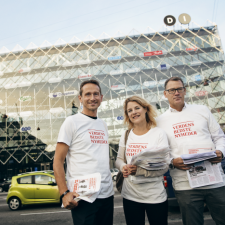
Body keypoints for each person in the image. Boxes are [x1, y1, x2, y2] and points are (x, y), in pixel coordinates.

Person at [156, 76, 225, 225]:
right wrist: (172, 161)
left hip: (215, 180)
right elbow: (160, 152)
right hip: (185, 185)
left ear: (185, 91)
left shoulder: (202, 110)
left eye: (179, 89)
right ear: (165, 94)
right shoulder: (159, 121)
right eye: (172, 90)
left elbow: (219, 137)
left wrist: (221, 151)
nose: (176, 93)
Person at [53, 80, 114, 225]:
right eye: (88, 94)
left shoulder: (103, 124)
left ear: (101, 97)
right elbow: (58, 160)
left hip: (107, 194)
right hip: (84, 196)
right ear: (80, 98)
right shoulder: (71, 122)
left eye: (96, 94)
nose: (92, 98)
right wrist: (64, 192)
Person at [115, 96, 169, 225]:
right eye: (130, 110)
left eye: (137, 108)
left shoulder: (159, 133)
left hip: (155, 196)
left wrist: (139, 171)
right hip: (130, 195)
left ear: (145, 109)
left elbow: (165, 166)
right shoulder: (126, 134)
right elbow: (118, 159)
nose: (133, 112)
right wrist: (123, 167)